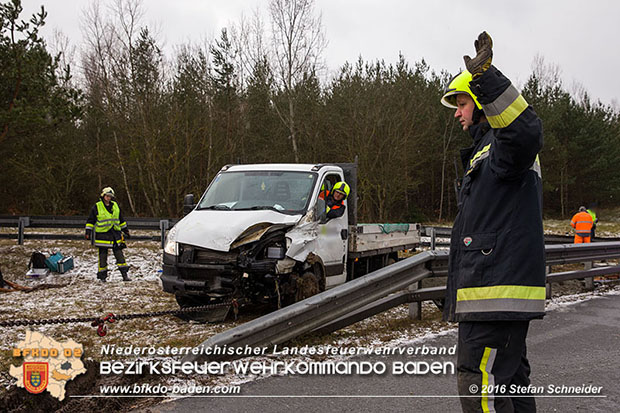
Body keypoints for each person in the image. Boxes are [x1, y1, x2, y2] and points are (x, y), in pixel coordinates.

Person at [440, 32, 545, 412]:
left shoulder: (503, 147)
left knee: (479, 383)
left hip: (494, 294)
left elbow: (526, 130)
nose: (457, 112)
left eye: (462, 102)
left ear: (482, 104)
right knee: (510, 383)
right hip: (492, 294)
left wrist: (486, 77)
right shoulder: (486, 151)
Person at [85, 187, 131, 282]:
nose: (108, 198)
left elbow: (120, 219)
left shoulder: (115, 206)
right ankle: (103, 277)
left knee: (120, 256)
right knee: (103, 257)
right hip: (103, 235)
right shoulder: (97, 206)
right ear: (103, 196)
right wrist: (88, 232)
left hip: (115, 234)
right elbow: (91, 220)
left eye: (110, 196)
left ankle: (124, 275)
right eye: (107, 196)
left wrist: (125, 230)